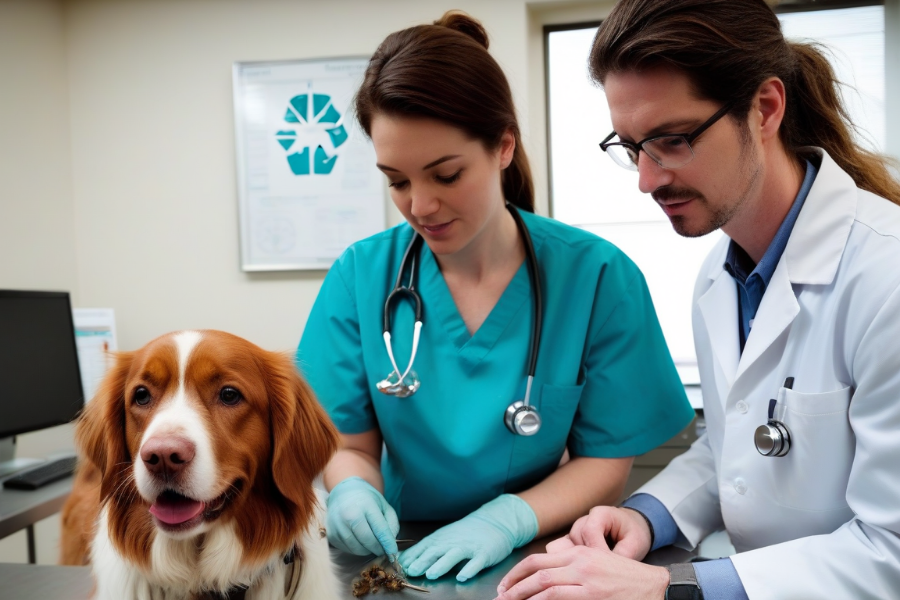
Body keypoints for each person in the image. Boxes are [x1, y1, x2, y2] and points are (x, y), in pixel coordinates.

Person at [495, 0, 900, 598]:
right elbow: (733, 446)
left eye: (673, 140)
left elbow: (889, 550)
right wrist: (643, 517)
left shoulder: (884, 275)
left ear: (764, 109)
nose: (646, 179)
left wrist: (673, 588)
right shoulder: (720, 273)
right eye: (632, 146)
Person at [295, 11, 694, 584]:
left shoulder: (598, 276)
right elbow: (346, 442)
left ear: (503, 146)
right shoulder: (361, 275)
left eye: (447, 175)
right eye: (398, 181)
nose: (421, 206)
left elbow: (605, 462)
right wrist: (352, 485)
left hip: (543, 562)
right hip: (402, 559)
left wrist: (509, 519)